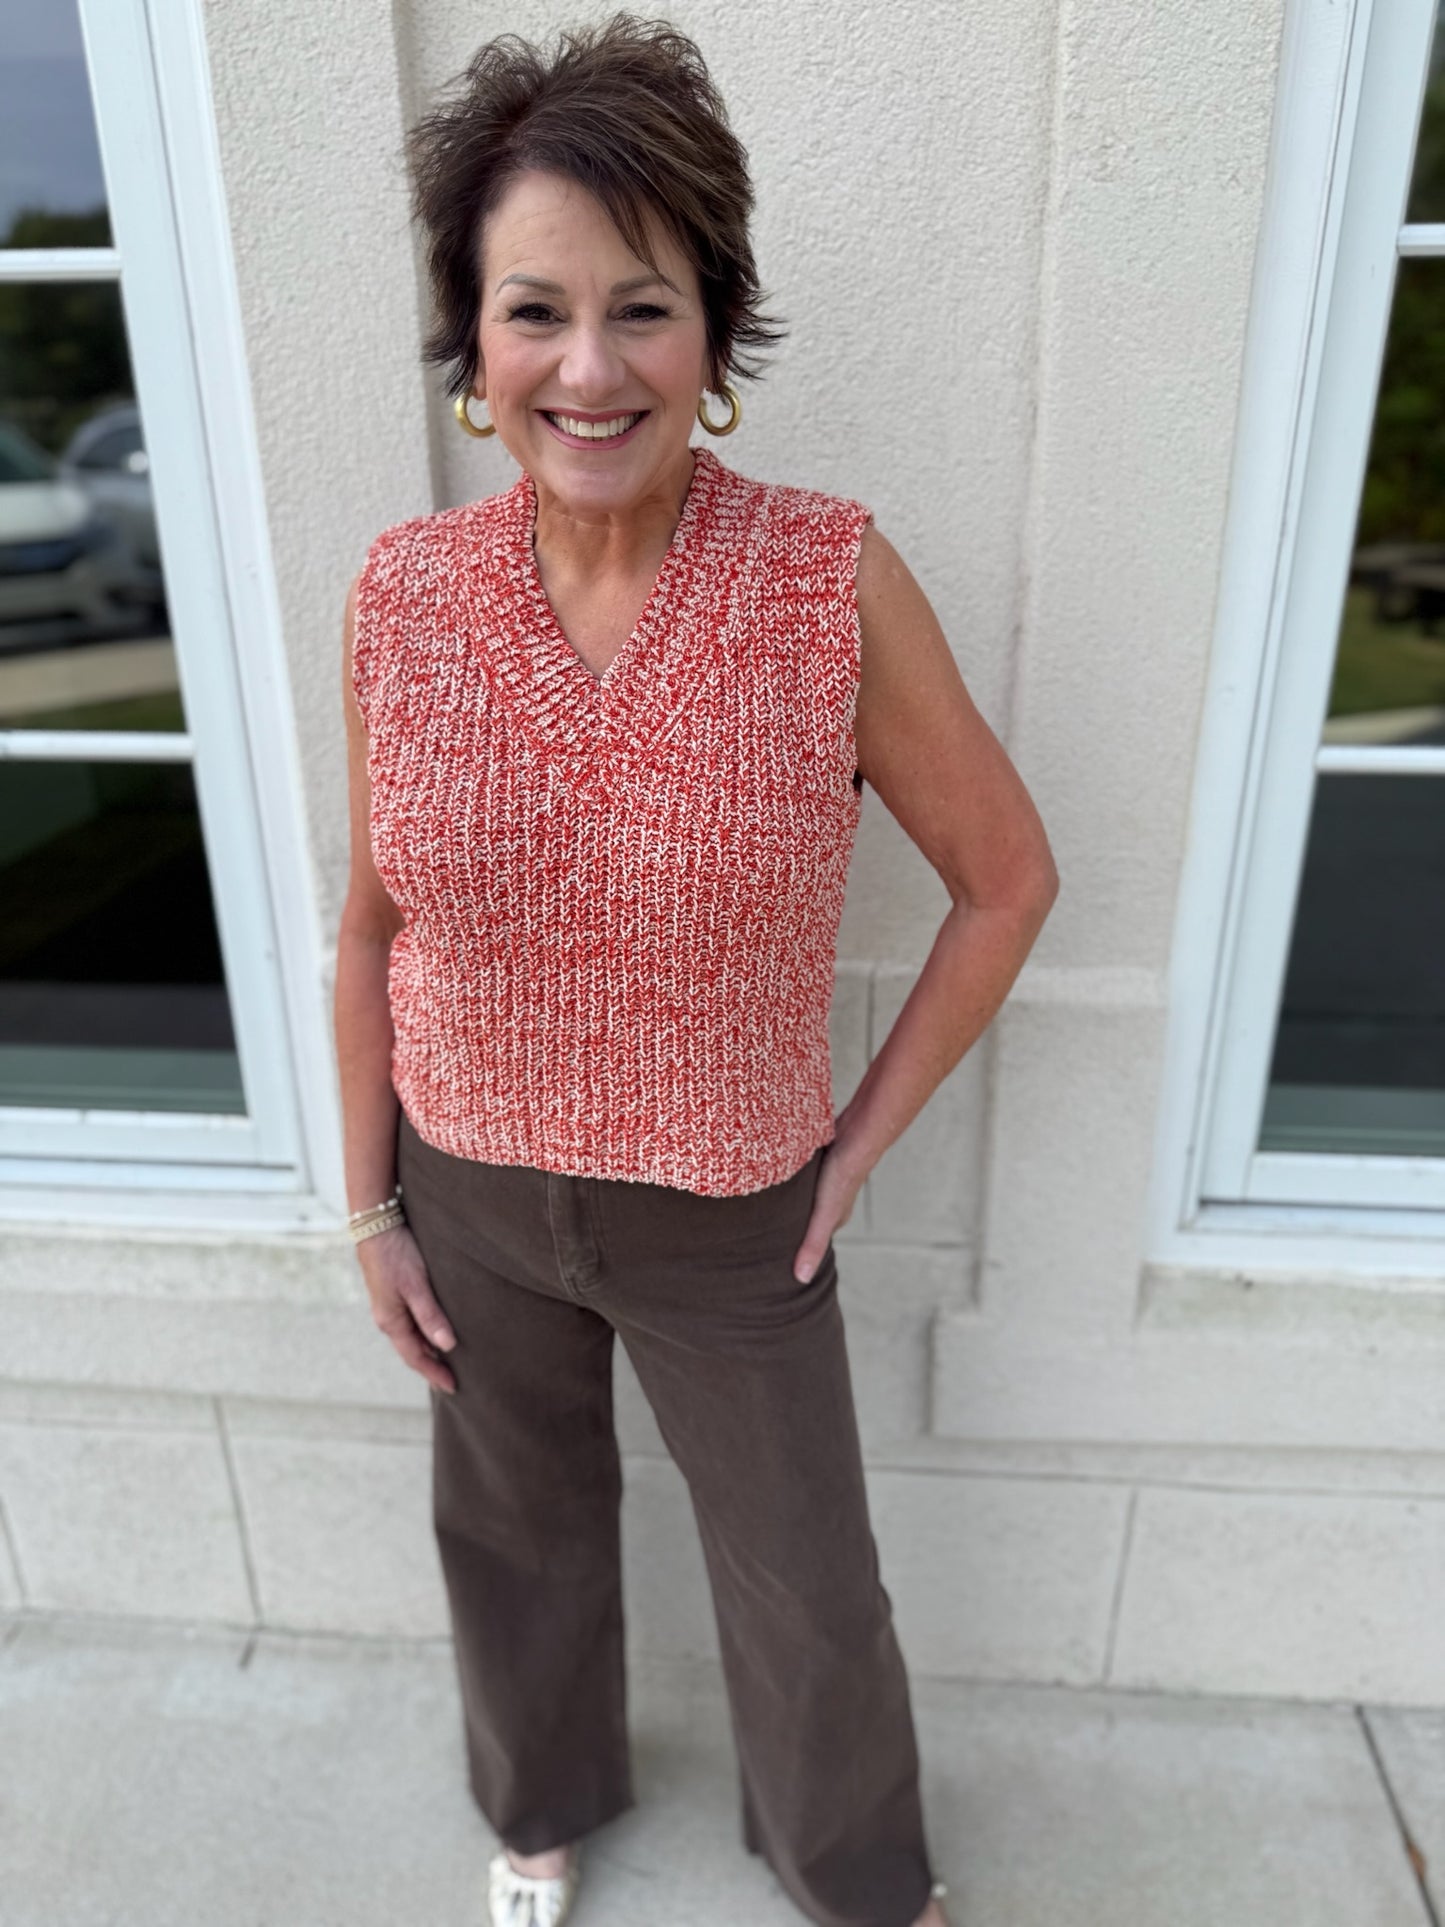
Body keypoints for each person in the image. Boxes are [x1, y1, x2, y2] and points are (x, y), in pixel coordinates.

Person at [334, 14, 1058, 1927]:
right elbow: (368, 925)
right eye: (533, 311)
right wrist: (368, 1208)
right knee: (511, 1536)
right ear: (471, 346)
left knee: (807, 1592)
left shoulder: (828, 581)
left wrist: (858, 1144)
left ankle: (852, 1879)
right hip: (471, 1186)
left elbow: (1002, 880)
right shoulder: (400, 600)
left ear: (715, 339)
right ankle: (540, 1804)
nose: (588, 366)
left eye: (642, 309)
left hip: (731, 1212)